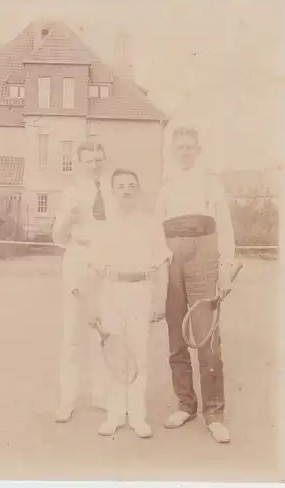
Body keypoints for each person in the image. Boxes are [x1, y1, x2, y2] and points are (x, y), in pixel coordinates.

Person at [156, 126, 235, 444]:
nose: (185, 152)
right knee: (176, 334)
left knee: (207, 337)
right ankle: (185, 404)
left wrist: (226, 268)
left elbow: (225, 227)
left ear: (198, 150)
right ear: (173, 151)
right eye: (180, 148)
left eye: (190, 147)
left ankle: (214, 414)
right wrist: (161, 265)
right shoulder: (166, 187)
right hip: (172, 258)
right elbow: (154, 232)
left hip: (204, 255)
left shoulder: (211, 183)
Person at [88, 169, 171, 438]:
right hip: (112, 292)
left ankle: (137, 416)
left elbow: (161, 265)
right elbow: (94, 269)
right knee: (115, 355)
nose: (126, 190)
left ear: (138, 191)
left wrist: (160, 298)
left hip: (141, 292)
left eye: (131, 185)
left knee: (138, 354)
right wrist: (92, 305)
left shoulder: (150, 224)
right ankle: (115, 415)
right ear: (112, 192)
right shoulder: (104, 227)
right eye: (120, 186)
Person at [52, 139, 113, 423]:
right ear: (80, 163)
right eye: (89, 161)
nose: (94, 165)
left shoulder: (113, 191)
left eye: (98, 160)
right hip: (78, 260)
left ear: (104, 160)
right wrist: (68, 218)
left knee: (103, 330)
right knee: (73, 332)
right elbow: (58, 237)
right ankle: (68, 399)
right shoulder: (72, 193)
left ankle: (101, 394)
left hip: (105, 265)